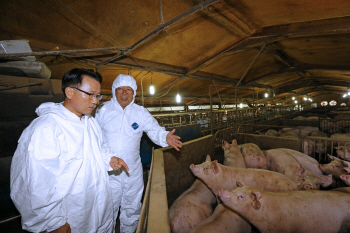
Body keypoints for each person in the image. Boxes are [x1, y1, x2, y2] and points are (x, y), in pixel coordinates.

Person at [10, 68, 129, 233]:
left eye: (98, 96)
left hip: (100, 211)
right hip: (72, 218)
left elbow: (100, 148)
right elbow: (33, 183)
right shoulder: (47, 128)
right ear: (70, 92)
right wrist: (52, 223)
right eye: (90, 94)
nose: (95, 101)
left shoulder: (90, 123)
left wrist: (109, 158)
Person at [95, 74, 182, 233]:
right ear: (114, 91)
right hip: (108, 170)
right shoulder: (103, 111)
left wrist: (165, 137)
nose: (124, 93)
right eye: (120, 89)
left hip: (132, 171)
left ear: (134, 93)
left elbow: (153, 129)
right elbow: (94, 137)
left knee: (132, 209)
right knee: (106, 211)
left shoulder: (140, 112)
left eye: (128, 90)